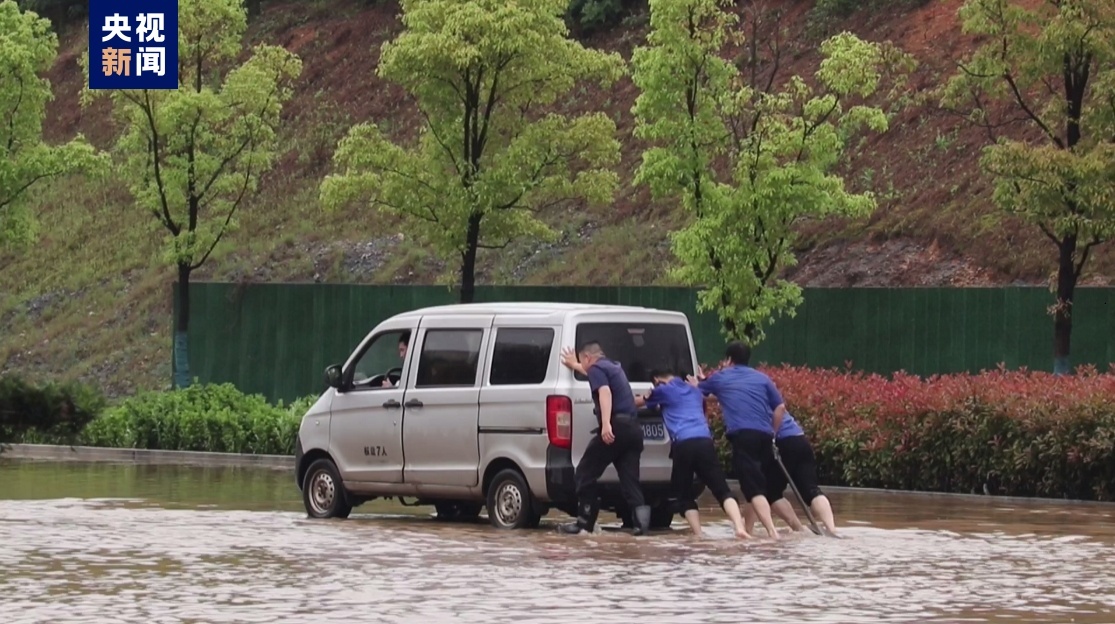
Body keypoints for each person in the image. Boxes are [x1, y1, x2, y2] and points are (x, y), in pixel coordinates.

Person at [634, 368, 751, 540]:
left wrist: (645, 395)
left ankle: (698, 534)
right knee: (721, 489)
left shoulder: (662, 390)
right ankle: (739, 527)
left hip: (683, 444)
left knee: (684, 495)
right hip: (705, 442)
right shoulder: (695, 390)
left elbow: (636, 403)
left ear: (657, 379)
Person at [686, 341, 784, 540]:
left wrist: (695, 380)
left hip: (743, 437)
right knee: (754, 486)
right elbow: (780, 407)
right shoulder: (762, 378)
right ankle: (748, 530)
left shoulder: (722, 377)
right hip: (765, 436)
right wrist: (772, 433)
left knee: (753, 488)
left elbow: (699, 390)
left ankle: (772, 532)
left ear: (729, 359)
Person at [557, 343, 651, 536]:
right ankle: (641, 527)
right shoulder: (613, 366)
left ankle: (585, 523)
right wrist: (575, 365)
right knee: (630, 480)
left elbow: (605, 392)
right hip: (633, 430)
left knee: (584, 472)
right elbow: (591, 372)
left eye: (583, 362)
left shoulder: (596, 368)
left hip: (616, 428)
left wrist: (606, 423)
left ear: (588, 358)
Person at [759, 411, 840, 537]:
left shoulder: (750, 401)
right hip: (799, 437)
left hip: (781, 441)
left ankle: (799, 529)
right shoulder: (768, 393)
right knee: (811, 490)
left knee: (772, 493)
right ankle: (832, 529)